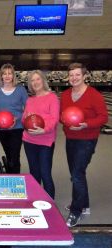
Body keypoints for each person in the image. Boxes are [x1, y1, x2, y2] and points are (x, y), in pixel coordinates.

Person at [61, 63, 108, 227]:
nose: (74, 78)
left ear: (84, 76)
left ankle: (76, 211)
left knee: (76, 174)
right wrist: (64, 119)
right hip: (70, 138)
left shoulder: (93, 94)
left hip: (87, 139)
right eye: (71, 75)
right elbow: (62, 115)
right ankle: (84, 204)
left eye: (77, 75)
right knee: (77, 173)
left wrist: (85, 124)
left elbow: (103, 118)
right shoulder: (66, 95)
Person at [22, 70, 59, 199]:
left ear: (43, 80)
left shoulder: (52, 97)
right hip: (29, 140)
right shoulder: (30, 100)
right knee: (34, 173)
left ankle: (50, 205)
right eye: (32, 80)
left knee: (45, 174)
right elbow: (24, 120)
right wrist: (24, 118)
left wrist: (43, 130)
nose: (35, 82)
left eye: (37, 79)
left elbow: (54, 119)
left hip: (45, 141)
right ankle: (36, 201)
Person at [0, 63, 28, 174]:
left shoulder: (20, 90)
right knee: (9, 155)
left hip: (17, 128)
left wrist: (16, 119)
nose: (7, 76)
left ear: (13, 76)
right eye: (4, 73)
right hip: (2, 129)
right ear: (1, 76)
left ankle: (15, 182)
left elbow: (27, 109)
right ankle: (10, 175)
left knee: (14, 156)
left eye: (10, 73)